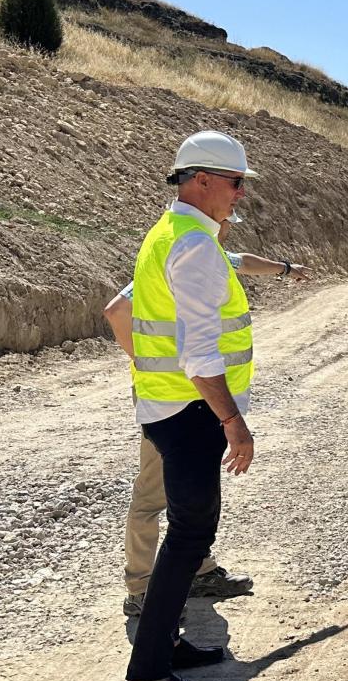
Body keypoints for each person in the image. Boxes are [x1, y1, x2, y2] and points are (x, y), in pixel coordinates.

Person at [121, 129, 262, 681]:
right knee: (189, 535)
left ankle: (166, 649)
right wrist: (234, 422)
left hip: (166, 408)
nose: (240, 195)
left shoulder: (170, 233)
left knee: (187, 536)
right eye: (235, 183)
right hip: (192, 412)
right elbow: (202, 355)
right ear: (201, 179)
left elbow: (121, 313)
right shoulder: (196, 247)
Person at [105, 240, 310, 618]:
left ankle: (197, 570)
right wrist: (148, 362)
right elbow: (117, 310)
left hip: (197, 396)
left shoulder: (209, 256)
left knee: (194, 489)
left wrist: (284, 268)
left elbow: (244, 261)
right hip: (168, 397)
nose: (227, 224)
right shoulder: (177, 259)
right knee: (153, 492)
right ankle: (140, 589)